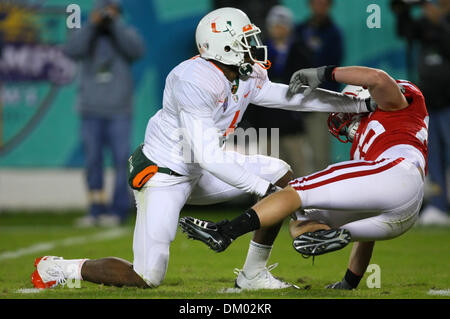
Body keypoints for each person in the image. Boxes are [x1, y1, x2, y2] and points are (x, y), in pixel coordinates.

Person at [31, 7, 374, 290]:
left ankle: (253, 274)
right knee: (147, 275)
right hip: (164, 175)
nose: (254, 44)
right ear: (223, 46)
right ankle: (62, 269)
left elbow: (290, 98)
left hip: (201, 169)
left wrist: (354, 105)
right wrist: (265, 191)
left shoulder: (246, 72)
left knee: (280, 173)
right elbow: (208, 155)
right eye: (245, 39)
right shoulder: (193, 79)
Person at [179, 65, 428, 290]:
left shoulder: (400, 105)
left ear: (367, 98)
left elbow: (377, 78)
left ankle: (226, 231)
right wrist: (349, 283)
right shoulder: (367, 147)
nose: (344, 116)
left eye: (350, 106)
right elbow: (368, 233)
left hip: (397, 170)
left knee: (294, 191)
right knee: (302, 223)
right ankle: (327, 236)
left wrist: (324, 73)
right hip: (400, 215)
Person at [63, 0, 145, 227]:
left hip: (119, 110)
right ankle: (95, 210)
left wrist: (115, 24)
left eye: (112, 10)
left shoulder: (125, 32)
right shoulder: (87, 35)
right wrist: (92, 25)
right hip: (90, 109)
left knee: (121, 161)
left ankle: (119, 211)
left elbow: (137, 50)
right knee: (93, 161)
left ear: (119, 12)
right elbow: (71, 50)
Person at [392, 0, 450, 225]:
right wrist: (403, 8)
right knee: (431, 156)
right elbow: (403, 29)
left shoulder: (441, 25)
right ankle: (438, 206)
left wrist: (439, 22)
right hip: (429, 104)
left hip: (448, 101)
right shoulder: (425, 25)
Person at [243, 5, 314, 177]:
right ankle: (266, 204)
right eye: (275, 24)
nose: (278, 28)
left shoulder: (301, 51)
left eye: (282, 24)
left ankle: (307, 202)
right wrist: (253, 119)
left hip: (292, 122)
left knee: (301, 168)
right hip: (267, 123)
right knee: (268, 173)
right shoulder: (258, 53)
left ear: (289, 27)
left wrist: (300, 114)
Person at [296, 0, 344, 171]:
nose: (319, 5)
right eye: (316, 2)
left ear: (329, 5)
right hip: (297, 100)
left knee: (320, 155)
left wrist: (325, 98)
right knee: (296, 154)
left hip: (320, 101)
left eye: (323, 2)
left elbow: (334, 71)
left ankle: (323, 195)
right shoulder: (299, 30)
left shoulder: (334, 33)